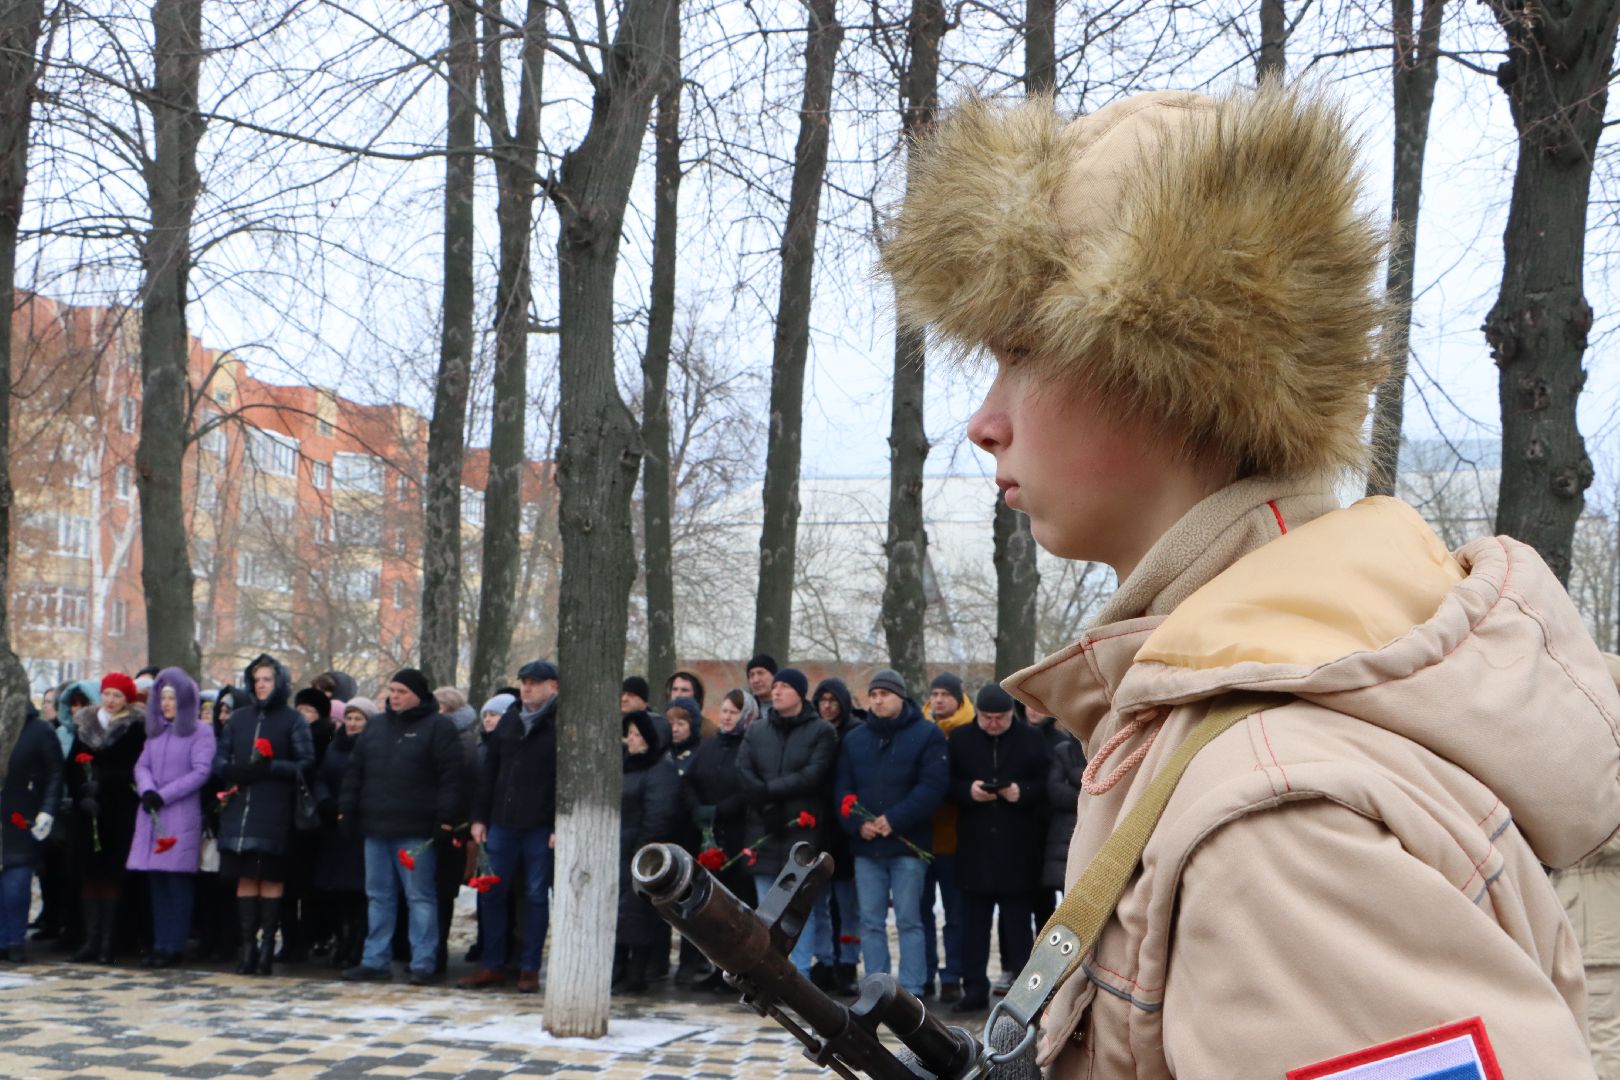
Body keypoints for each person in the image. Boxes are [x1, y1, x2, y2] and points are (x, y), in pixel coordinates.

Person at [881, 82, 1620, 1076]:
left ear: (1168, 363)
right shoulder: (1229, 717)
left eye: (1021, 352)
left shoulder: (1271, 810)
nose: (985, 419)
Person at [339, 668, 464, 985]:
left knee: (420, 897)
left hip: (416, 829)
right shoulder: (377, 726)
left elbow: (453, 779)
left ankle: (423, 962)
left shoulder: (438, 728)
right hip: (376, 827)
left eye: (402, 691)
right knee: (378, 896)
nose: (394, 696)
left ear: (418, 695)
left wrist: (445, 820)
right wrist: (347, 810)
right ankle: (375, 959)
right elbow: (356, 772)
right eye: (392, 690)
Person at [835, 669, 946, 999]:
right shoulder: (855, 738)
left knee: (910, 920)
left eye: (884, 694)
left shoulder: (927, 735)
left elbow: (932, 786)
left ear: (901, 697)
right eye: (873, 694)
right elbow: (842, 788)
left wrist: (893, 820)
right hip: (867, 847)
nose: (878, 699)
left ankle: (912, 988)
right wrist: (858, 823)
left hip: (908, 846)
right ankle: (876, 987)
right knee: (870, 921)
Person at [946, 683, 1047, 1014]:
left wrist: (1023, 792)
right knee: (973, 928)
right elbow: (946, 784)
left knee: (1017, 928)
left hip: (1018, 848)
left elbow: (1046, 784)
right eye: (986, 718)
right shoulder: (961, 739)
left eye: (1000, 718)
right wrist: (968, 791)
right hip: (975, 848)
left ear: (1010, 715)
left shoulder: (1032, 738)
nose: (992, 724)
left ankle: (1021, 994)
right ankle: (973, 988)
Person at [214, 655, 315, 976]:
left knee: (269, 877)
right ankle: (248, 948)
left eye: (267, 679)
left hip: (273, 808)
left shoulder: (292, 720)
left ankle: (267, 950)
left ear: (279, 683)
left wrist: (272, 767)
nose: (261, 685)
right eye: (256, 679)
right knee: (244, 877)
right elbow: (218, 760)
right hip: (239, 807)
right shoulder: (238, 719)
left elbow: (306, 762)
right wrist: (233, 770)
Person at [460, 661, 558, 993]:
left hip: (540, 825)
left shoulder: (560, 723)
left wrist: (560, 823)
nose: (527, 687)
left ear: (552, 687)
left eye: (535, 682)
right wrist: (479, 817)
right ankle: (493, 964)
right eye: (524, 682)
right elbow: (489, 772)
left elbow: (566, 780)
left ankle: (529, 967)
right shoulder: (510, 720)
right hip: (502, 821)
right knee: (490, 892)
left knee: (535, 895)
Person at [737, 666, 835, 978]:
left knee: (796, 910)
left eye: (784, 687)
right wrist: (764, 803)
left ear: (800, 693)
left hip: (799, 833)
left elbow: (814, 773)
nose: (776, 691)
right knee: (765, 911)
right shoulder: (756, 730)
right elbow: (743, 769)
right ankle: (767, 973)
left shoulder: (821, 731)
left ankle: (798, 975)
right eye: (775, 686)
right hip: (762, 831)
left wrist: (769, 792)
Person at [126, 668, 214, 967]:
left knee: (176, 882)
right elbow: (142, 766)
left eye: (172, 697)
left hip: (178, 814)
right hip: (152, 813)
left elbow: (201, 771)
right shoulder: (157, 732)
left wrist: (164, 794)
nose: (166, 703)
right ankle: (160, 943)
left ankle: (174, 945)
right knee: (157, 882)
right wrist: (148, 790)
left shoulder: (200, 732)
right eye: (162, 697)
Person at [63, 671, 146, 964]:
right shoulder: (86, 724)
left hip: (118, 809)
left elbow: (136, 767)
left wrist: (104, 779)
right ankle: (90, 939)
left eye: (117, 696)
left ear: (127, 699)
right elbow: (71, 765)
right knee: (89, 874)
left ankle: (108, 943)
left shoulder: (134, 728)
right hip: (88, 810)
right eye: (108, 694)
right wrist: (81, 790)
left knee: (111, 875)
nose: (110, 701)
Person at [682, 687, 759, 991]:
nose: (727, 717)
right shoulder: (709, 745)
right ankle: (716, 969)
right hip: (707, 836)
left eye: (733, 712)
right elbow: (688, 780)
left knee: (736, 910)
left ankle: (742, 971)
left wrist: (720, 810)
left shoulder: (750, 746)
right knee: (711, 909)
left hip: (737, 837)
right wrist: (697, 809)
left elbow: (749, 789)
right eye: (724, 711)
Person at [613, 710, 682, 994]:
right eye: (629, 733)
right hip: (619, 847)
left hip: (640, 851)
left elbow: (659, 813)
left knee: (638, 913)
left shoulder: (660, 770)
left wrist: (641, 848)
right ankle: (617, 969)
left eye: (638, 735)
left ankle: (636, 973)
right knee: (619, 912)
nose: (631, 739)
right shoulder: (626, 766)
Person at [921, 671, 975, 1001]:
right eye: (934, 693)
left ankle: (953, 973)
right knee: (920, 910)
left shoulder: (968, 731)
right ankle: (925, 972)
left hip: (956, 838)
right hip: (921, 837)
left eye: (945, 694)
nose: (938, 699)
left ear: (958, 697)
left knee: (955, 914)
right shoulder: (922, 730)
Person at [810, 677, 864, 995]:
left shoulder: (855, 733)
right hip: (818, 827)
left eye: (834, 700)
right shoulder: (813, 732)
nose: (828, 706)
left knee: (847, 905)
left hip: (846, 829)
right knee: (819, 904)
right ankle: (825, 960)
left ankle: (848, 962)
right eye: (822, 700)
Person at [314, 698, 373, 971]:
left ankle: (357, 945)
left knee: (358, 892)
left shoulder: (373, 747)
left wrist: (350, 809)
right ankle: (341, 940)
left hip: (359, 826)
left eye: (358, 718)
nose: (351, 723)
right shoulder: (334, 746)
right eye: (349, 718)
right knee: (336, 891)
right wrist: (326, 802)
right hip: (332, 826)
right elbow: (321, 777)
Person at [0, 703, 62, 962]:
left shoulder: (39, 730)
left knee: (16, 884)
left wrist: (47, 809)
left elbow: (55, 773)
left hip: (21, 815)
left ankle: (14, 940)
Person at [282, 686, 337, 965]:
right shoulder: (289, 735)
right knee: (287, 888)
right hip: (287, 819)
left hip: (316, 821)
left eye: (310, 711)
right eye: (300, 709)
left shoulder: (327, 737)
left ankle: (306, 940)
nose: (303, 715)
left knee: (310, 888)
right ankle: (289, 941)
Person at [662, 695, 706, 986]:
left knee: (691, 904)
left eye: (682, 723)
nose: (675, 729)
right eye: (672, 723)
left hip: (692, 838)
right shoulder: (663, 755)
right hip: (665, 837)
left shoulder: (701, 754)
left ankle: (690, 961)